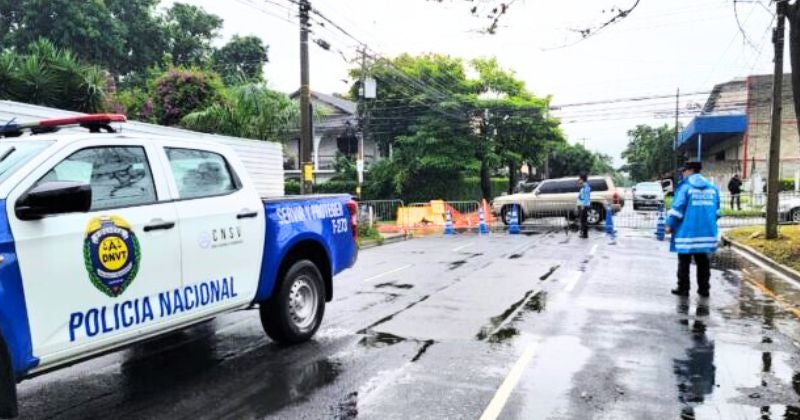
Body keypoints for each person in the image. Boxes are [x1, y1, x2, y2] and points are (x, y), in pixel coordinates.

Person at [666, 161, 721, 298]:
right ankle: (704, 290)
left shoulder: (686, 188)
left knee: (684, 262)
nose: (683, 174)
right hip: (706, 234)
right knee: (703, 262)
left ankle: (683, 288)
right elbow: (717, 212)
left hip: (687, 233)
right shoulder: (712, 188)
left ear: (689, 171)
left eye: (684, 171)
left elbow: (678, 209)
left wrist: (669, 225)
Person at [577, 174, 591, 239]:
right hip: (582, 205)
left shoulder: (586, 186)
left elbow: (586, 197)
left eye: (579, 179)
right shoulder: (583, 186)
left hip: (584, 206)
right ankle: (583, 233)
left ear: (582, 179)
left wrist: (583, 205)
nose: (578, 180)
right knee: (582, 220)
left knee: (584, 220)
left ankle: (585, 234)